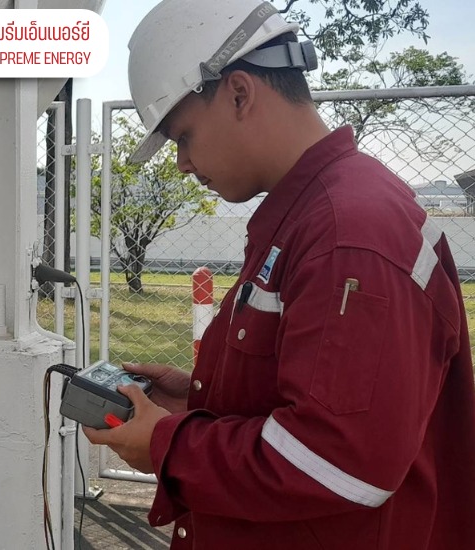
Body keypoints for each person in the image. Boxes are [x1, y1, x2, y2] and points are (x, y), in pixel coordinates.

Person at [82, 0, 475, 548]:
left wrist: (168, 445)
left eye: (183, 136)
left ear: (240, 93)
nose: (183, 164)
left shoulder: (348, 233)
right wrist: (201, 400)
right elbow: (311, 396)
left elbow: (337, 463)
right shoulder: (315, 214)